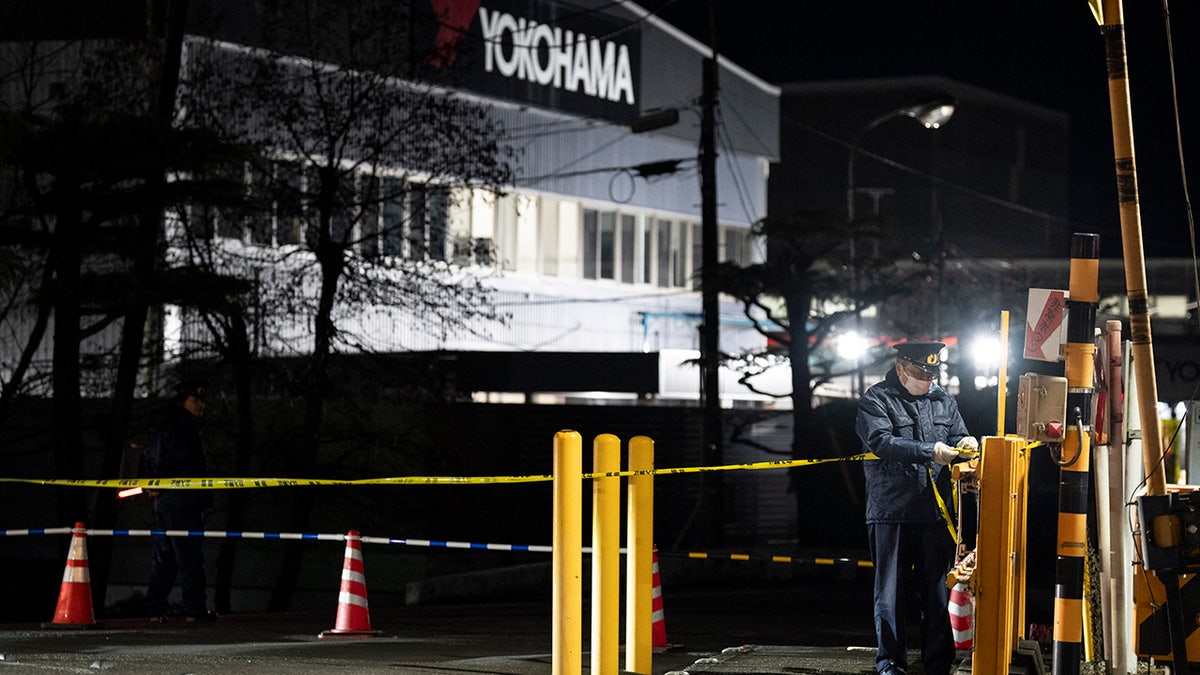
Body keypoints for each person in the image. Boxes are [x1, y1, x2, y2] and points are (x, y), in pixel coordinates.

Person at [855, 341, 977, 675]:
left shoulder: (943, 399)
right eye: (920, 372)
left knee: (936, 591)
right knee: (889, 593)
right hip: (891, 509)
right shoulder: (876, 399)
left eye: (931, 372)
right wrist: (931, 450)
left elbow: (959, 436)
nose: (926, 378)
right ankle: (890, 663)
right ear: (900, 368)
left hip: (933, 511)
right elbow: (880, 441)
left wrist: (965, 444)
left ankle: (937, 662)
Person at [143, 379, 215, 622]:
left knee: (166, 559)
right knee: (189, 557)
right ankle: (195, 610)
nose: (200, 405)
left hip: (163, 504)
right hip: (184, 503)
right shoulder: (185, 427)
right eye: (195, 400)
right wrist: (159, 479)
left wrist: (153, 481)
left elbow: (149, 457)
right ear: (182, 401)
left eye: (202, 400)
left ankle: (155, 609)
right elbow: (178, 458)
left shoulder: (162, 427)